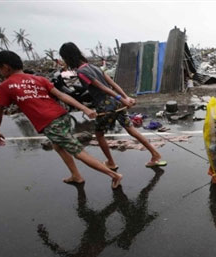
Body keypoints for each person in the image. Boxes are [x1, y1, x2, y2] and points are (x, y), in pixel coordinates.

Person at [0, 50, 123, 188]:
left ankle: (114, 175)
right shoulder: (38, 79)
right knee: (58, 146)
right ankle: (76, 176)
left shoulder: (5, 86)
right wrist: (84, 108)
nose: (1, 72)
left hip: (50, 123)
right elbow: (62, 96)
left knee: (78, 152)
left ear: (6, 67)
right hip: (63, 115)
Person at [59, 42, 166, 170]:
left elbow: (103, 87)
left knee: (99, 135)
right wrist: (125, 97)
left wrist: (123, 98)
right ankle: (155, 154)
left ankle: (110, 162)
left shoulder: (82, 72)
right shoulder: (94, 67)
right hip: (117, 103)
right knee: (131, 129)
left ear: (68, 57)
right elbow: (113, 84)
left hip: (105, 105)